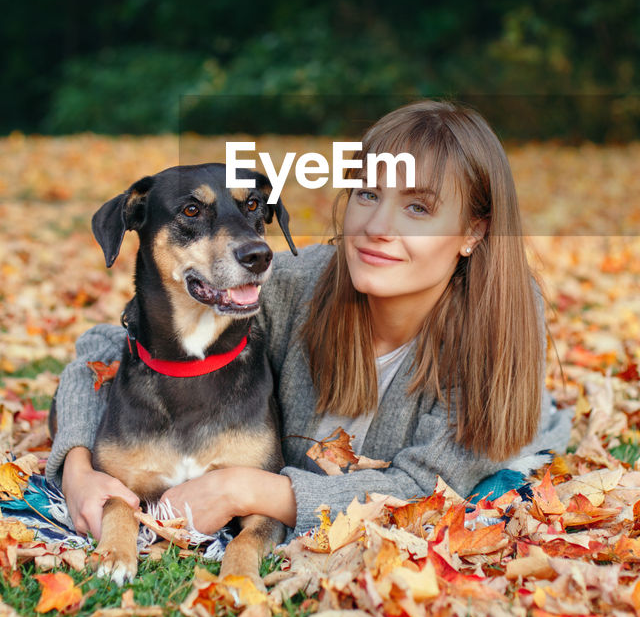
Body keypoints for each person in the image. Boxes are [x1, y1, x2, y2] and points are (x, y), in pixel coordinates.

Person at [46, 100, 571, 542]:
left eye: (417, 208)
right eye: (368, 194)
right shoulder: (301, 283)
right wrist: (78, 471)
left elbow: (428, 491)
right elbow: (107, 348)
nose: (377, 227)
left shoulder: (499, 327)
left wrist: (247, 491)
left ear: (473, 233)